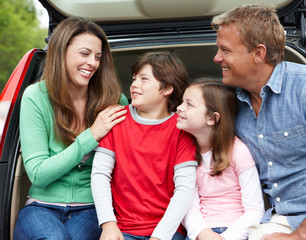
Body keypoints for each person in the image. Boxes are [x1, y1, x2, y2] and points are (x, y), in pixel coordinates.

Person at [211, 4, 306, 240]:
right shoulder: (230, 106)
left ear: (258, 53)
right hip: (279, 220)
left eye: (225, 50)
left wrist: (301, 236)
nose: (217, 58)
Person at [13, 17, 128, 240]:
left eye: (98, 57)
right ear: (61, 52)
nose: (92, 63)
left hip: (91, 209)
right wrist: (92, 135)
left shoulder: (115, 101)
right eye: (84, 54)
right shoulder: (36, 97)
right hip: (41, 207)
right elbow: (38, 174)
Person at [91, 51, 197, 240]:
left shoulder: (181, 128)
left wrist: (160, 236)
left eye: (144, 79)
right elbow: (100, 174)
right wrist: (108, 224)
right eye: (134, 79)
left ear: (166, 89)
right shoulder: (116, 119)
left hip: (167, 231)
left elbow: (184, 189)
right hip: (122, 229)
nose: (134, 85)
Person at [176, 79, 265, 240]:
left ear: (211, 118)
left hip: (237, 231)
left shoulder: (238, 151)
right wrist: (203, 234)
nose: (179, 108)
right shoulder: (185, 152)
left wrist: (225, 238)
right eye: (182, 102)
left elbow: (255, 210)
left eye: (189, 104)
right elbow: (188, 205)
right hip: (200, 231)